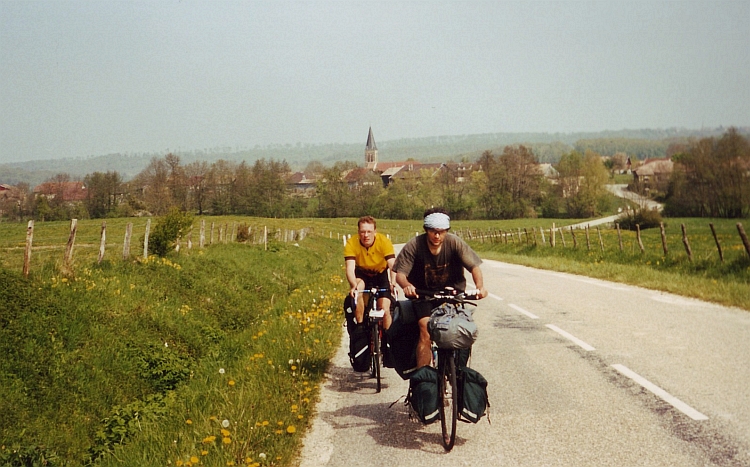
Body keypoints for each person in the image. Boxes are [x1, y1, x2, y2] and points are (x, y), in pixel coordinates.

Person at [394, 207, 487, 367]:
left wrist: (480, 287)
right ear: (426, 230)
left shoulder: (454, 242)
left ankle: (457, 371)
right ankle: (423, 378)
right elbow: (400, 274)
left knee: (459, 328)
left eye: (442, 231)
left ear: (447, 231)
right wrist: (407, 286)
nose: (437, 236)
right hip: (423, 295)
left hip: (452, 295)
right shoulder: (415, 245)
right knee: (425, 328)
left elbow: (474, 267)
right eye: (433, 231)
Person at [344, 216, 396, 329]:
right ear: (358, 232)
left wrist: (393, 283)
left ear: (375, 232)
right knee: (358, 290)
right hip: (362, 274)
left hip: (380, 275)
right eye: (362, 232)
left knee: (385, 309)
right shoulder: (352, 243)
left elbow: (393, 265)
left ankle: (387, 337)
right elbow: (350, 268)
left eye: (369, 232)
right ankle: (360, 326)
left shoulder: (384, 242)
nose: (366, 235)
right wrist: (353, 286)